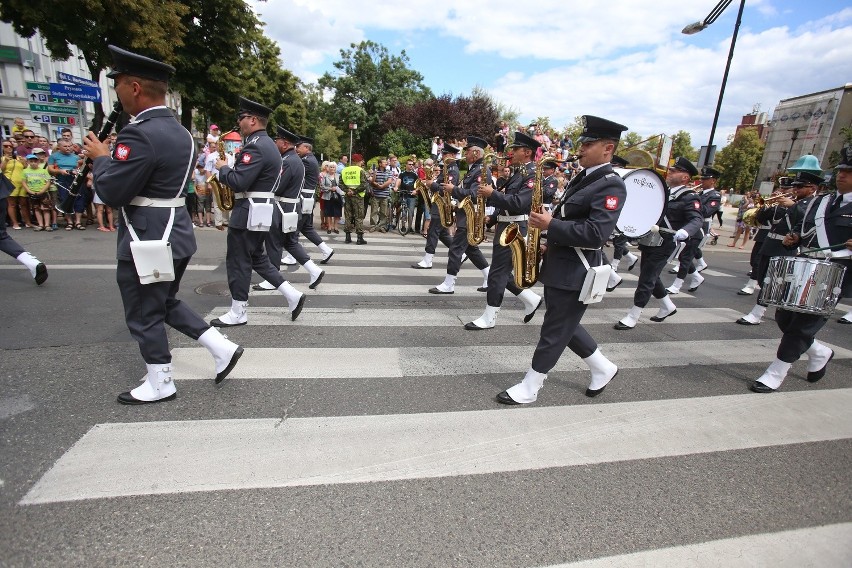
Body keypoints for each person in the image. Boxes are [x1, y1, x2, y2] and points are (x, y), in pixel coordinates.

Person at [85, 45, 242, 404]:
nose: (118, 92)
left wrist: (101, 159)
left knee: (144, 309)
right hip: (176, 233)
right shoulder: (182, 133)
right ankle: (220, 347)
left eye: (120, 83)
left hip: (148, 237)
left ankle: (161, 381)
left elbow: (112, 191)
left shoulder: (138, 133)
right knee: (163, 301)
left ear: (135, 87)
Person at [497, 115, 628, 404]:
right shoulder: (583, 177)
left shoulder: (611, 185)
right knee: (563, 323)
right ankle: (603, 368)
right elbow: (572, 220)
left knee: (554, 329)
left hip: (578, 271)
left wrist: (550, 226)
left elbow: (596, 234)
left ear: (607, 149)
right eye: (581, 143)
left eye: (588, 144)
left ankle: (531, 386)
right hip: (561, 264)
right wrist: (547, 243)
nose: (580, 149)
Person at [749, 147, 852, 393]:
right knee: (784, 317)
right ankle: (819, 352)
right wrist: (793, 238)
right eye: (841, 170)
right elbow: (800, 226)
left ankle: (776, 371)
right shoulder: (821, 202)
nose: (842, 175)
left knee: (804, 324)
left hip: (836, 271)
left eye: (849, 172)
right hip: (805, 266)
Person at [209, 102, 307, 326]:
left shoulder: (255, 146)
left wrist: (223, 168)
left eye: (241, 117)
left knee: (238, 261)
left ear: (253, 120)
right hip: (259, 210)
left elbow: (238, 181)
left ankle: (238, 312)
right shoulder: (266, 145)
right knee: (256, 258)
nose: (238, 122)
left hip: (248, 211)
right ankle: (292, 295)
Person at [464, 131, 543, 330]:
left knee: (497, 273)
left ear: (527, 152)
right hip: (506, 223)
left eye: (515, 149)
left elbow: (519, 202)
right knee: (503, 272)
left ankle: (490, 317)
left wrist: (492, 193)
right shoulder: (520, 171)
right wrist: (490, 219)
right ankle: (531, 299)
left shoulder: (533, 173)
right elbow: (507, 200)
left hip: (516, 226)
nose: (511, 152)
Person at [614, 157, 703, 329]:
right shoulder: (664, 192)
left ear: (685, 177)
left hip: (667, 242)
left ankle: (634, 314)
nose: (669, 172)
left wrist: (686, 231)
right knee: (650, 276)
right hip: (651, 239)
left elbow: (697, 219)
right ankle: (667, 306)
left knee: (647, 278)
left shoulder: (690, 197)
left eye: (674, 171)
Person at [736, 174, 816, 325]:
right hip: (769, 243)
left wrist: (792, 206)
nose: (795, 189)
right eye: (795, 186)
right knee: (760, 275)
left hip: (785, 247)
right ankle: (782, 305)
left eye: (799, 187)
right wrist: (770, 204)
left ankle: (757, 313)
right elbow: (761, 218)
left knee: (770, 282)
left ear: (812, 189)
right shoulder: (789, 202)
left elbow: (808, 220)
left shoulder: (811, 204)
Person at [252, 132, 327, 291]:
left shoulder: (288, 161)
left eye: (277, 141)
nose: (275, 143)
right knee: (290, 242)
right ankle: (314, 270)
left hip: (282, 208)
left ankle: (272, 279)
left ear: (285, 143)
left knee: (274, 243)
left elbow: (277, 187)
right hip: (290, 208)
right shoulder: (294, 160)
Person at [428, 136, 491, 295]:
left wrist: (453, 190)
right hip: (467, 215)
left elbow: (476, 195)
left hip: (472, 216)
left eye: (467, 151)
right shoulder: (474, 169)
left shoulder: (481, 170)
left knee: (455, 249)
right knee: (471, 250)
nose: (465, 154)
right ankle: (489, 276)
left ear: (476, 153)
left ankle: (449, 284)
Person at [665, 166, 721, 294]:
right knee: (684, 256)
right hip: (686, 226)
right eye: (702, 178)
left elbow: (706, 211)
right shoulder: (698, 194)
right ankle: (697, 276)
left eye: (705, 179)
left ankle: (677, 286)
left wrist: (689, 204)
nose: (702, 181)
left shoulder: (715, 196)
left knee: (685, 258)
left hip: (698, 228)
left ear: (713, 181)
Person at [411, 145, 457, 269]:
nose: (443, 156)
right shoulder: (447, 168)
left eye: (445, 154)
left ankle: (428, 260)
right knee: (442, 233)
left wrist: (432, 185)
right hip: (439, 204)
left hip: (442, 205)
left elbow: (446, 190)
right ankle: (461, 253)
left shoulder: (452, 170)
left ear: (452, 155)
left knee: (432, 231)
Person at [2, 138, 31, 229]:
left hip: (21, 182)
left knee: (24, 203)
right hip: (10, 183)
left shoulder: (18, 157)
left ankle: (28, 222)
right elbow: (1, 170)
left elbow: (26, 168)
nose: (9, 148)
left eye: (10, 146)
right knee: (12, 204)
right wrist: (5, 161)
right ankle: (15, 223)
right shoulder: (2, 158)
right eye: (6, 146)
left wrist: (24, 162)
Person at [341, 154, 369, 244]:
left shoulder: (344, 170)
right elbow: (364, 184)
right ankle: (359, 238)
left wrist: (347, 190)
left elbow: (340, 183)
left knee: (348, 216)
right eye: (361, 161)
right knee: (359, 216)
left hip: (347, 196)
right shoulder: (361, 170)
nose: (362, 162)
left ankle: (347, 237)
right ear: (358, 161)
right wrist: (354, 191)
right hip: (358, 196)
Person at [21, 154, 54, 231]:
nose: (33, 163)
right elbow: (24, 182)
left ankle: (47, 225)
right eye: (31, 161)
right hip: (32, 192)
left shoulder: (43, 171)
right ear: (28, 162)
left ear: (38, 162)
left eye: (35, 161)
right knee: (36, 208)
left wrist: (43, 190)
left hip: (43, 192)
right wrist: (29, 191)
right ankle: (40, 224)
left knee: (45, 208)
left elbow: (48, 181)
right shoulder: (25, 171)